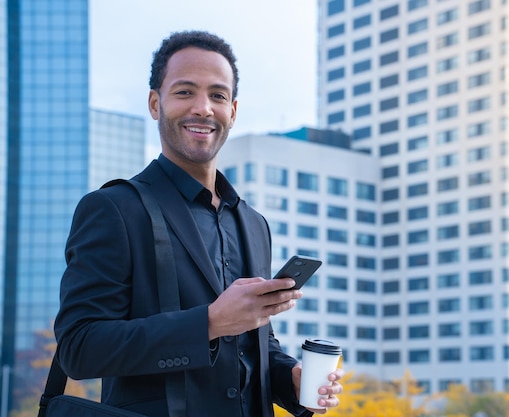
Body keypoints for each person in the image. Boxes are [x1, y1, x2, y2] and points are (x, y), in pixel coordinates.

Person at [54, 30, 343, 417]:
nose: (203, 108)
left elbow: (252, 342)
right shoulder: (113, 209)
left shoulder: (254, 224)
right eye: (185, 92)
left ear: (233, 111)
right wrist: (208, 323)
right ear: (156, 103)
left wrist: (287, 375)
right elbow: (79, 348)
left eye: (218, 96)